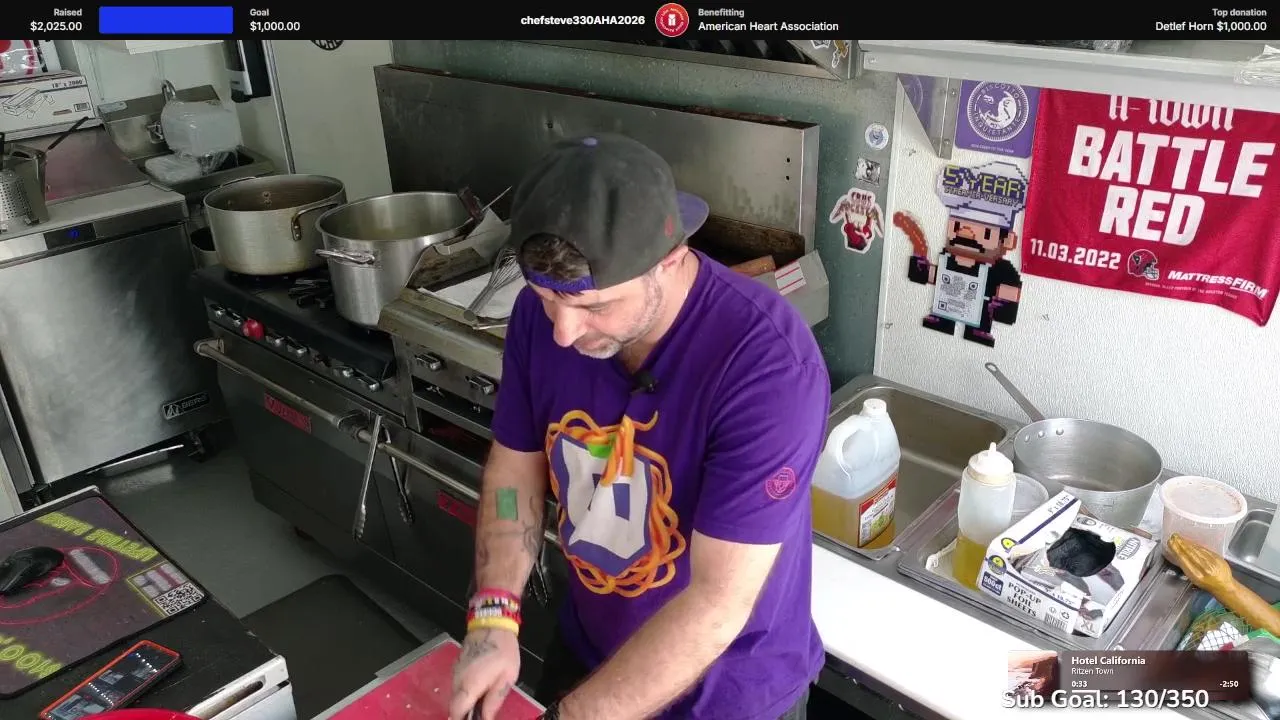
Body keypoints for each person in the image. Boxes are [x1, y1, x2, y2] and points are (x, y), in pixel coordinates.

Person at [449, 133, 830, 720]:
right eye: (546, 298)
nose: (563, 333)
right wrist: (494, 615)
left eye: (595, 307)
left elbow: (717, 604)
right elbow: (514, 472)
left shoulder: (769, 368)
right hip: (590, 655)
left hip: (728, 694)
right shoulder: (538, 317)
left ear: (671, 259)